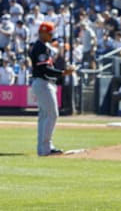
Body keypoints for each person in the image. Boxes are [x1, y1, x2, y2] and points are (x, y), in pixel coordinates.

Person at [29, 21, 75, 156]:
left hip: (43, 82)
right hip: (43, 82)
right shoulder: (40, 47)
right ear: (42, 33)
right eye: (49, 33)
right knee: (52, 114)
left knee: (45, 116)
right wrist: (62, 73)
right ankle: (46, 148)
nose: (51, 36)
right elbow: (44, 69)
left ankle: (44, 148)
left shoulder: (43, 46)